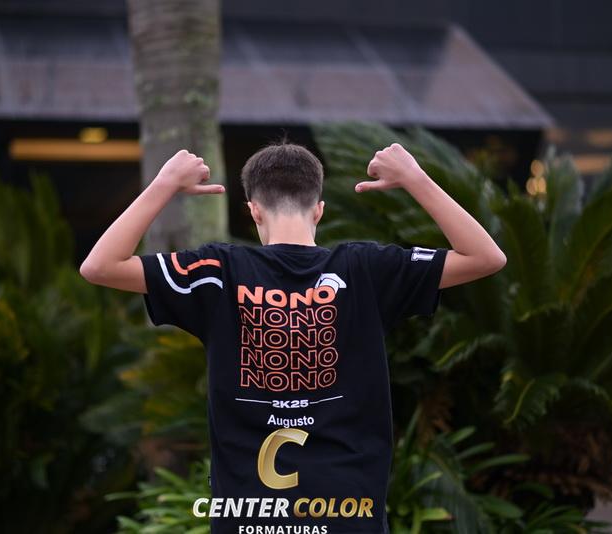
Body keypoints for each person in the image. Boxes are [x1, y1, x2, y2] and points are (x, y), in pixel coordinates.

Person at [80, 140, 507, 533]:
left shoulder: (216, 273)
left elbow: (99, 266)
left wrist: (165, 184)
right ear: (318, 210)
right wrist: (415, 178)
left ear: (254, 211)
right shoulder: (365, 270)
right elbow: (486, 257)